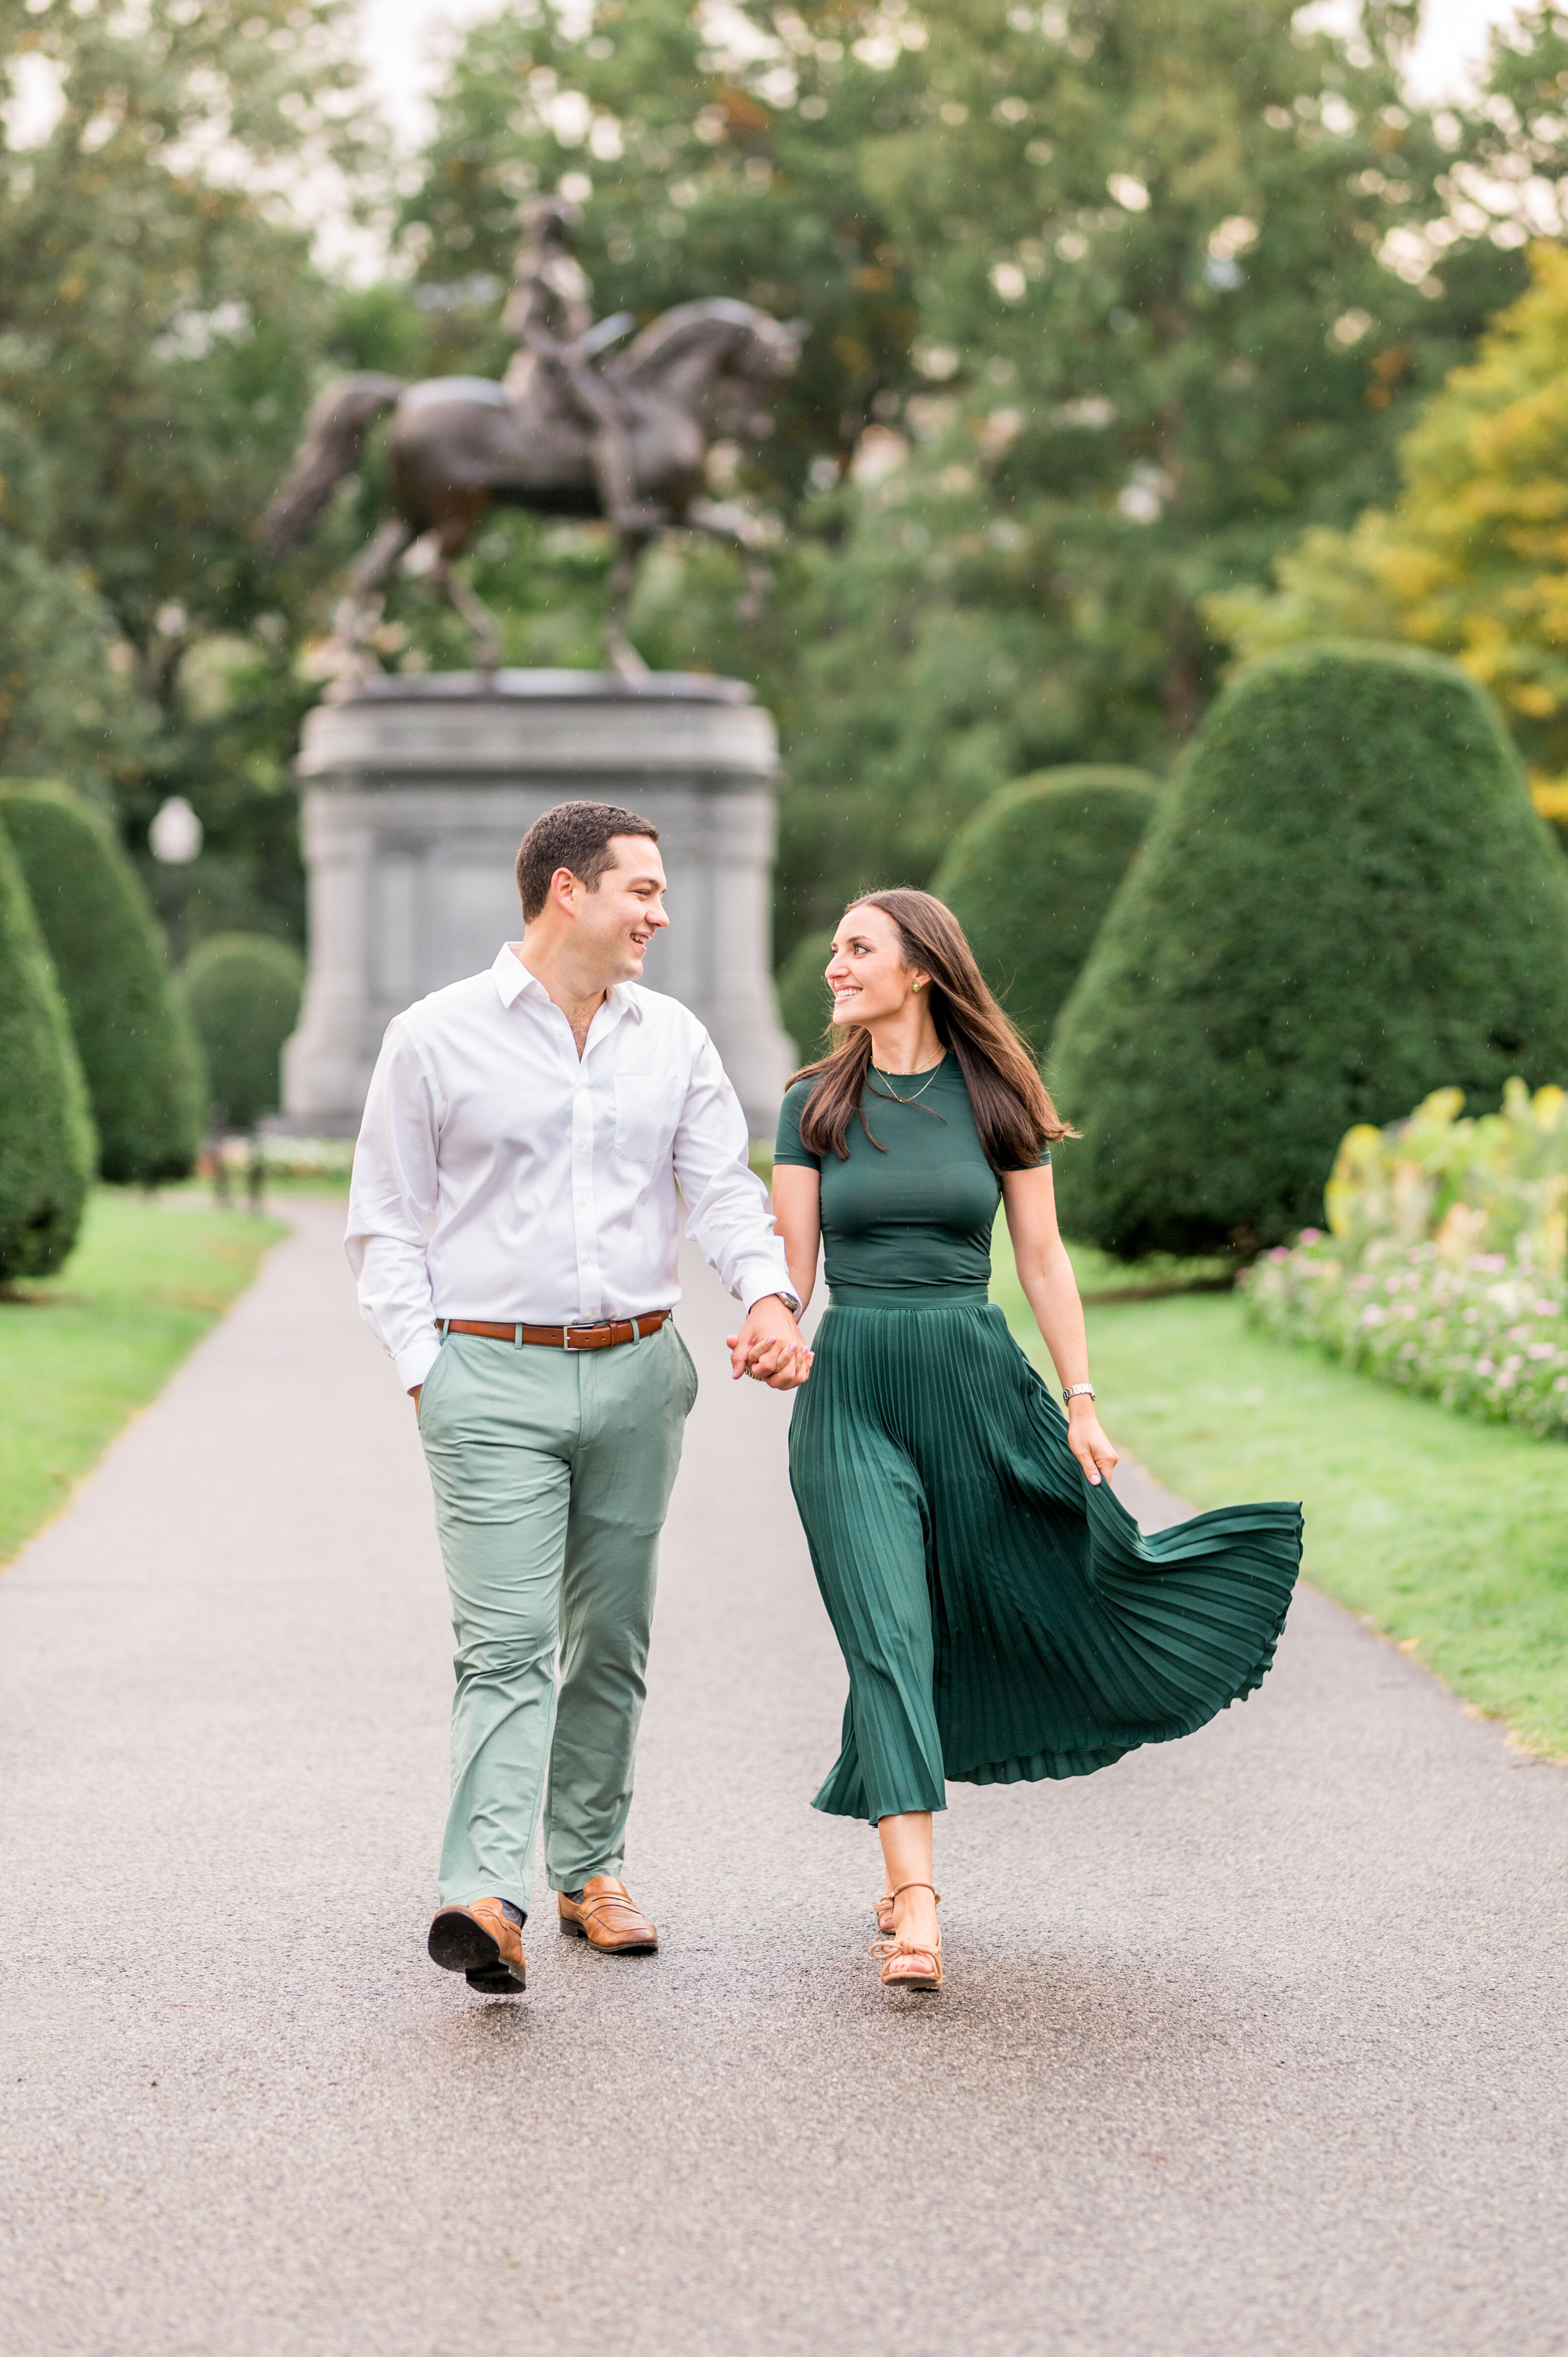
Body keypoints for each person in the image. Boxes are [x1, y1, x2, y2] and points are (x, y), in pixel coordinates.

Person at [768, 889, 1301, 1994]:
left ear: (919, 967)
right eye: (834, 951)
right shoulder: (811, 1105)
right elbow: (793, 1265)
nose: (834, 967)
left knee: (999, 1601)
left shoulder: (994, 1098)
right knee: (886, 1630)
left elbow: (1045, 1259)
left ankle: (907, 1856)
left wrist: (1083, 1398)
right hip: (851, 1392)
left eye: (856, 948)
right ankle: (915, 1897)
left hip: (972, 1383)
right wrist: (771, 1317)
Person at [347, 800, 810, 1997]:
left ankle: (589, 1868)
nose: (660, 912)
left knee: (611, 1639)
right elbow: (386, 1220)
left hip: (638, 1368)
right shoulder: (434, 1037)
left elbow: (718, 1189)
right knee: (505, 1647)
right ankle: (485, 1896)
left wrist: (766, 1296)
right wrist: (424, 1365)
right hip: (487, 1373)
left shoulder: (674, 1041)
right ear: (569, 891)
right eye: (641, 890)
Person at [501, 195, 660, 532]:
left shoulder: (566, 267)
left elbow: (574, 323)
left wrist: (591, 348)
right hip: (549, 373)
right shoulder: (535, 268)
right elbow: (522, 325)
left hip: (577, 363)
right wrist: (559, 354)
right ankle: (623, 507)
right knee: (609, 419)